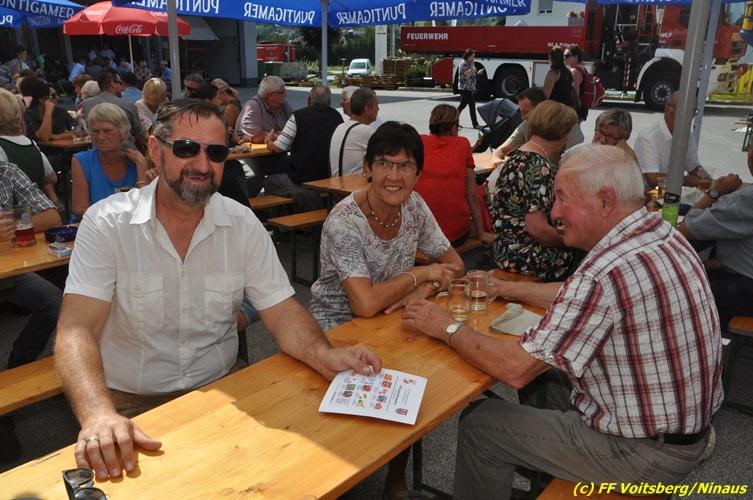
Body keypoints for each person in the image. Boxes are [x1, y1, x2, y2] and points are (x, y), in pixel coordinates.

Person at [54, 99, 382, 481]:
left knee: (300, 469)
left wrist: (323, 354)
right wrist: (98, 414)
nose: (202, 164)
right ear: (156, 151)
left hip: (226, 387)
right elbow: (76, 329)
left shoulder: (242, 224)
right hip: (130, 402)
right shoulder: (107, 223)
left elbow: (283, 312)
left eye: (216, 152)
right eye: (186, 148)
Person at [402, 144, 723, 500]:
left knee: (482, 423)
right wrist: (505, 288)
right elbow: (577, 295)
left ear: (605, 201)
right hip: (681, 433)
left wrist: (446, 327)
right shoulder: (659, 234)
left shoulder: (604, 272)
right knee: (548, 380)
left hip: (645, 454)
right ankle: (546, 482)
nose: (554, 212)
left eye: (562, 198)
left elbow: (514, 368)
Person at [310, 121, 462, 500]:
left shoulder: (415, 206)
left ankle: (396, 475)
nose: (394, 176)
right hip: (337, 328)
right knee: (354, 415)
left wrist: (425, 289)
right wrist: (421, 274)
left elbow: (455, 264)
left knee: (417, 378)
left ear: (418, 173)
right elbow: (363, 304)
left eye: (405, 166)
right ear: (368, 167)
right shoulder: (345, 222)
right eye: (384, 164)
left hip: (391, 320)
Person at [490, 100, 581, 281]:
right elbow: (537, 229)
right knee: (583, 254)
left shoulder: (518, 155)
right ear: (561, 132)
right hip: (523, 256)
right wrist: (570, 240)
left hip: (503, 249)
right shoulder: (538, 165)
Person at [679, 148, 751, 329]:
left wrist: (714, 192)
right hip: (734, 271)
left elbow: (686, 229)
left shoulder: (745, 200)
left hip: (746, 287)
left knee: (678, 293)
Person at [415, 104, 493, 246]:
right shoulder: (462, 144)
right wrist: (481, 233)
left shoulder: (420, 142)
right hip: (454, 235)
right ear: (453, 128)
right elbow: (471, 195)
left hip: (421, 235)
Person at [264, 84, 343, 210]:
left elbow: (278, 148)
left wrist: (268, 142)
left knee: (270, 181)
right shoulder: (337, 116)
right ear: (329, 101)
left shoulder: (298, 116)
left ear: (309, 99)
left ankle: (277, 215)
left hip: (303, 178)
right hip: (328, 177)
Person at [71, 103, 147, 217]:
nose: (101, 137)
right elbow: (80, 209)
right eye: (95, 131)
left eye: (107, 131)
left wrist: (142, 170)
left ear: (124, 133)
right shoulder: (81, 161)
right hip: (93, 225)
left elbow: (145, 208)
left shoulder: (137, 162)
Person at [633, 91, 711, 188]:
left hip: (671, 191)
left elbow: (692, 165)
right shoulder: (648, 137)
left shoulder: (687, 135)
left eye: (693, 111)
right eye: (685, 112)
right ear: (668, 109)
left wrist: (705, 177)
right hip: (647, 192)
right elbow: (653, 179)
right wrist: (690, 180)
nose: (690, 116)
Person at [491, 87, 583, 168]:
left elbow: (574, 166)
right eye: (521, 112)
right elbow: (501, 150)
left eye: (526, 111)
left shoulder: (569, 127)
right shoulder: (526, 125)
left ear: (541, 108)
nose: (522, 117)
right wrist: (498, 161)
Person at [0, 88, 60, 206]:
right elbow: (51, 178)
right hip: (37, 208)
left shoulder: (2, 149)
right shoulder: (31, 144)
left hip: (14, 213)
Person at [235, 76, 294, 190]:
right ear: (270, 95)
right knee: (252, 180)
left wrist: (274, 136)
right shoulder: (253, 106)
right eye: (282, 92)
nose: (285, 95)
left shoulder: (284, 105)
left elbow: (295, 128)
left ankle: (281, 199)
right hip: (254, 156)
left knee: (295, 170)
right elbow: (256, 136)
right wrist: (280, 136)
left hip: (276, 154)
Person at [83, 70, 147, 152]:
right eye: (120, 83)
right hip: (126, 153)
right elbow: (140, 138)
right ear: (112, 83)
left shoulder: (86, 105)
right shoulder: (129, 106)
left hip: (99, 152)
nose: (123, 87)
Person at [328, 87, 379, 177]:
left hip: (335, 181)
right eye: (376, 105)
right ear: (367, 109)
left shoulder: (340, 127)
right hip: (352, 183)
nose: (378, 109)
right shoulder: (366, 131)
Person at [19, 76, 74, 142]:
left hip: (63, 147)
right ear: (42, 100)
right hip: (40, 148)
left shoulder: (60, 111)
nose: (57, 98)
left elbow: (79, 131)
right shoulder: (29, 115)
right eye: (53, 96)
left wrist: (56, 136)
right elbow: (44, 137)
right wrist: (48, 112)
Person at [457, 49, 484, 129]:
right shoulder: (463, 64)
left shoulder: (470, 63)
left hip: (469, 88)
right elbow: (468, 75)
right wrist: (472, 66)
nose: (473, 58)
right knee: (472, 105)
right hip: (464, 88)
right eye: (472, 56)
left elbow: (473, 74)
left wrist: (478, 73)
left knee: (462, 105)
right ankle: (475, 124)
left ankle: (453, 122)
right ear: (468, 56)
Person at [565, 45, 589, 121]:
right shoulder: (582, 68)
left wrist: (573, 110)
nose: (564, 58)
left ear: (576, 57)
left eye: (567, 56)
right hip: (583, 107)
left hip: (577, 108)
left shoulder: (574, 71)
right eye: (564, 56)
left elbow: (575, 93)